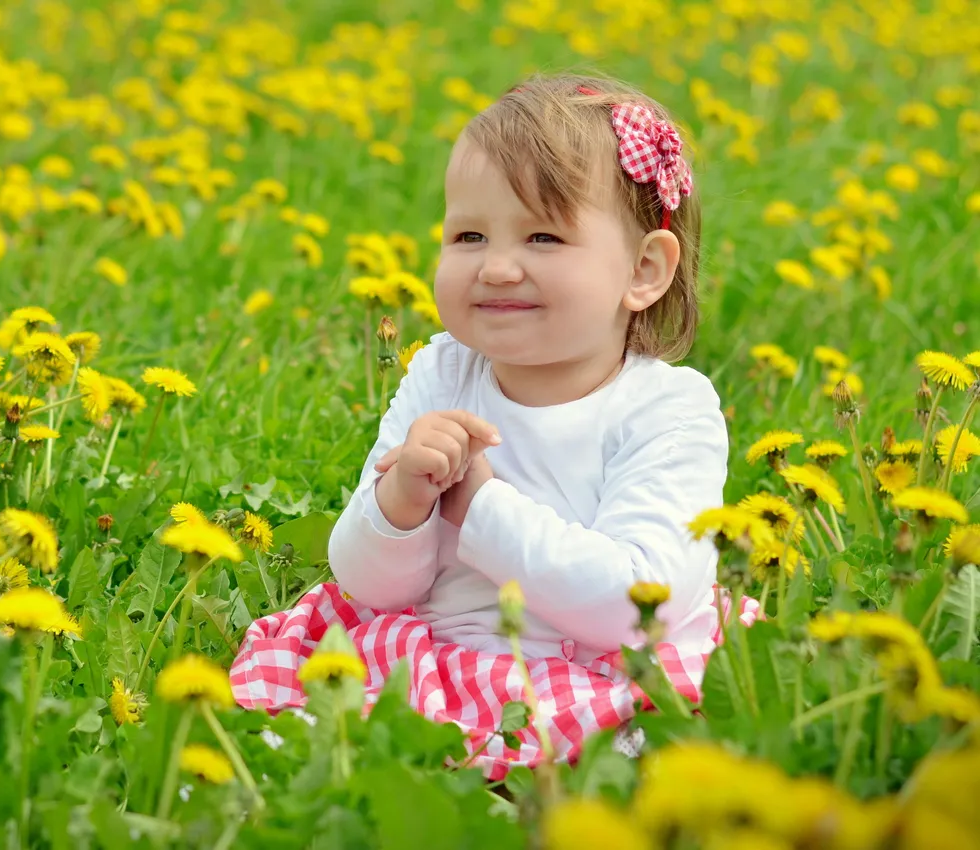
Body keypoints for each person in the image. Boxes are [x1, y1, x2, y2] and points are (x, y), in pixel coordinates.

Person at [229, 72, 756, 777]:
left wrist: (479, 507)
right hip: (437, 662)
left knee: (625, 764)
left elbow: (638, 611)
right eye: (469, 235)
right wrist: (400, 508)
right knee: (306, 744)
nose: (498, 267)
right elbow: (366, 583)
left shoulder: (667, 412)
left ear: (644, 268)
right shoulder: (445, 373)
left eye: (542, 236)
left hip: (598, 677)